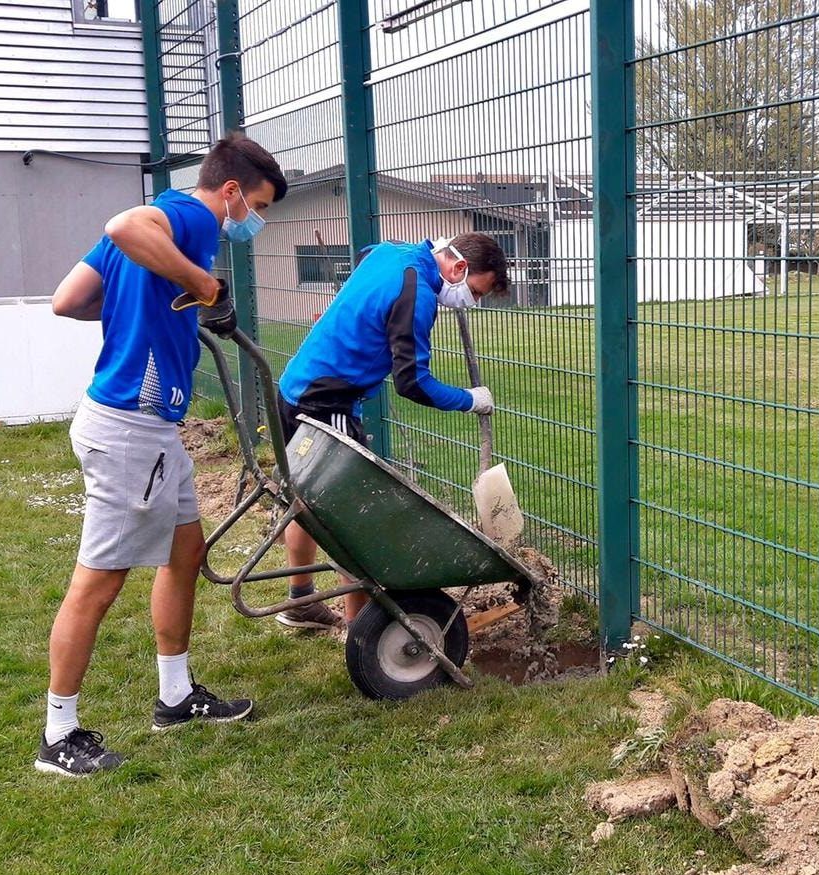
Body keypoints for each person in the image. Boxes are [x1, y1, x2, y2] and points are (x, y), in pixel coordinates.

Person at [37, 133, 287, 776]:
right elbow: (122, 225)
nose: (250, 221)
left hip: (150, 427)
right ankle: (58, 735)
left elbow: (69, 301)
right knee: (99, 581)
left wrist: (142, 305)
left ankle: (175, 696)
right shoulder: (188, 217)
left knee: (186, 551)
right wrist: (204, 283)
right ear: (231, 191)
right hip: (130, 426)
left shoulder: (172, 224)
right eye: (254, 205)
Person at [273, 233, 507, 629]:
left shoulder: (393, 252)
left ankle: (301, 601)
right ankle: (360, 630)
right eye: (475, 292)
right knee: (351, 519)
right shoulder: (419, 296)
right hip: (327, 400)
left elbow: (367, 251)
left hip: (294, 386)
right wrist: (469, 400)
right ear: (459, 268)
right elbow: (412, 382)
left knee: (306, 500)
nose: (472, 302)